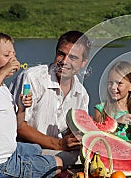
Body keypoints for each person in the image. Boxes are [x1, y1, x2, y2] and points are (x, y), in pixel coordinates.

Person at [0, 32, 62, 178]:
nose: (13, 59)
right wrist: (4, 71)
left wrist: (21, 109)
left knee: (39, 150)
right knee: (57, 164)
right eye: (7, 56)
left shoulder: (2, 89)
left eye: (14, 54)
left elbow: (17, 125)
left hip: (7, 151)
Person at [9, 31, 91, 168]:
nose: (64, 62)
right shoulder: (32, 78)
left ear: (83, 63)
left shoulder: (81, 94)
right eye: (61, 54)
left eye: (73, 58)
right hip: (23, 147)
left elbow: (76, 130)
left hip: (55, 150)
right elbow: (17, 126)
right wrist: (58, 144)